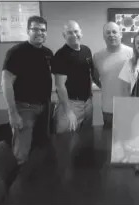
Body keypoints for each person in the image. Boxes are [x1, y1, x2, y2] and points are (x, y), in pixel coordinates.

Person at [51, 20, 101, 180]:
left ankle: (82, 181)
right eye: (70, 32)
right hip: (71, 105)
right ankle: (66, 184)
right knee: (67, 146)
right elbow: (60, 86)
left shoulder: (86, 50)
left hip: (88, 103)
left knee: (85, 144)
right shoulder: (61, 55)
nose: (74, 35)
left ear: (81, 32)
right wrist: (68, 112)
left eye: (76, 31)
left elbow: (91, 74)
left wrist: (103, 86)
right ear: (64, 35)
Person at [1, 16, 53, 167]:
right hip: (24, 109)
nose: (39, 33)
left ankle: (37, 186)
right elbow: (6, 82)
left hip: (45, 107)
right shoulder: (16, 52)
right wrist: (13, 113)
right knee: (21, 155)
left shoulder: (48, 53)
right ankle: (18, 188)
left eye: (43, 30)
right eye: (35, 29)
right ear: (27, 31)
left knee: (41, 149)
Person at [93, 22, 132, 127]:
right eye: (108, 32)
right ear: (104, 36)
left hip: (128, 107)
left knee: (128, 140)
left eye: (114, 32)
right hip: (107, 108)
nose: (111, 35)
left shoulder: (132, 53)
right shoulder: (97, 56)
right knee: (108, 140)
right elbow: (96, 77)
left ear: (121, 34)